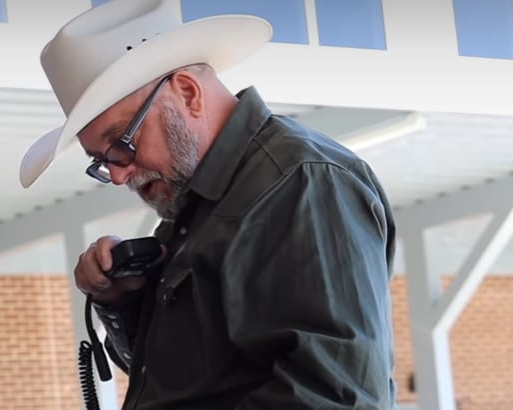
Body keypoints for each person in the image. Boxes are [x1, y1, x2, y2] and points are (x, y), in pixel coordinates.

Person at [20, 0, 398, 408]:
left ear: (187, 92)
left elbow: (333, 397)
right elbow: (181, 381)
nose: (116, 174)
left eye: (121, 145)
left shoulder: (301, 183)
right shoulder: (196, 205)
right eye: (102, 161)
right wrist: (124, 301)